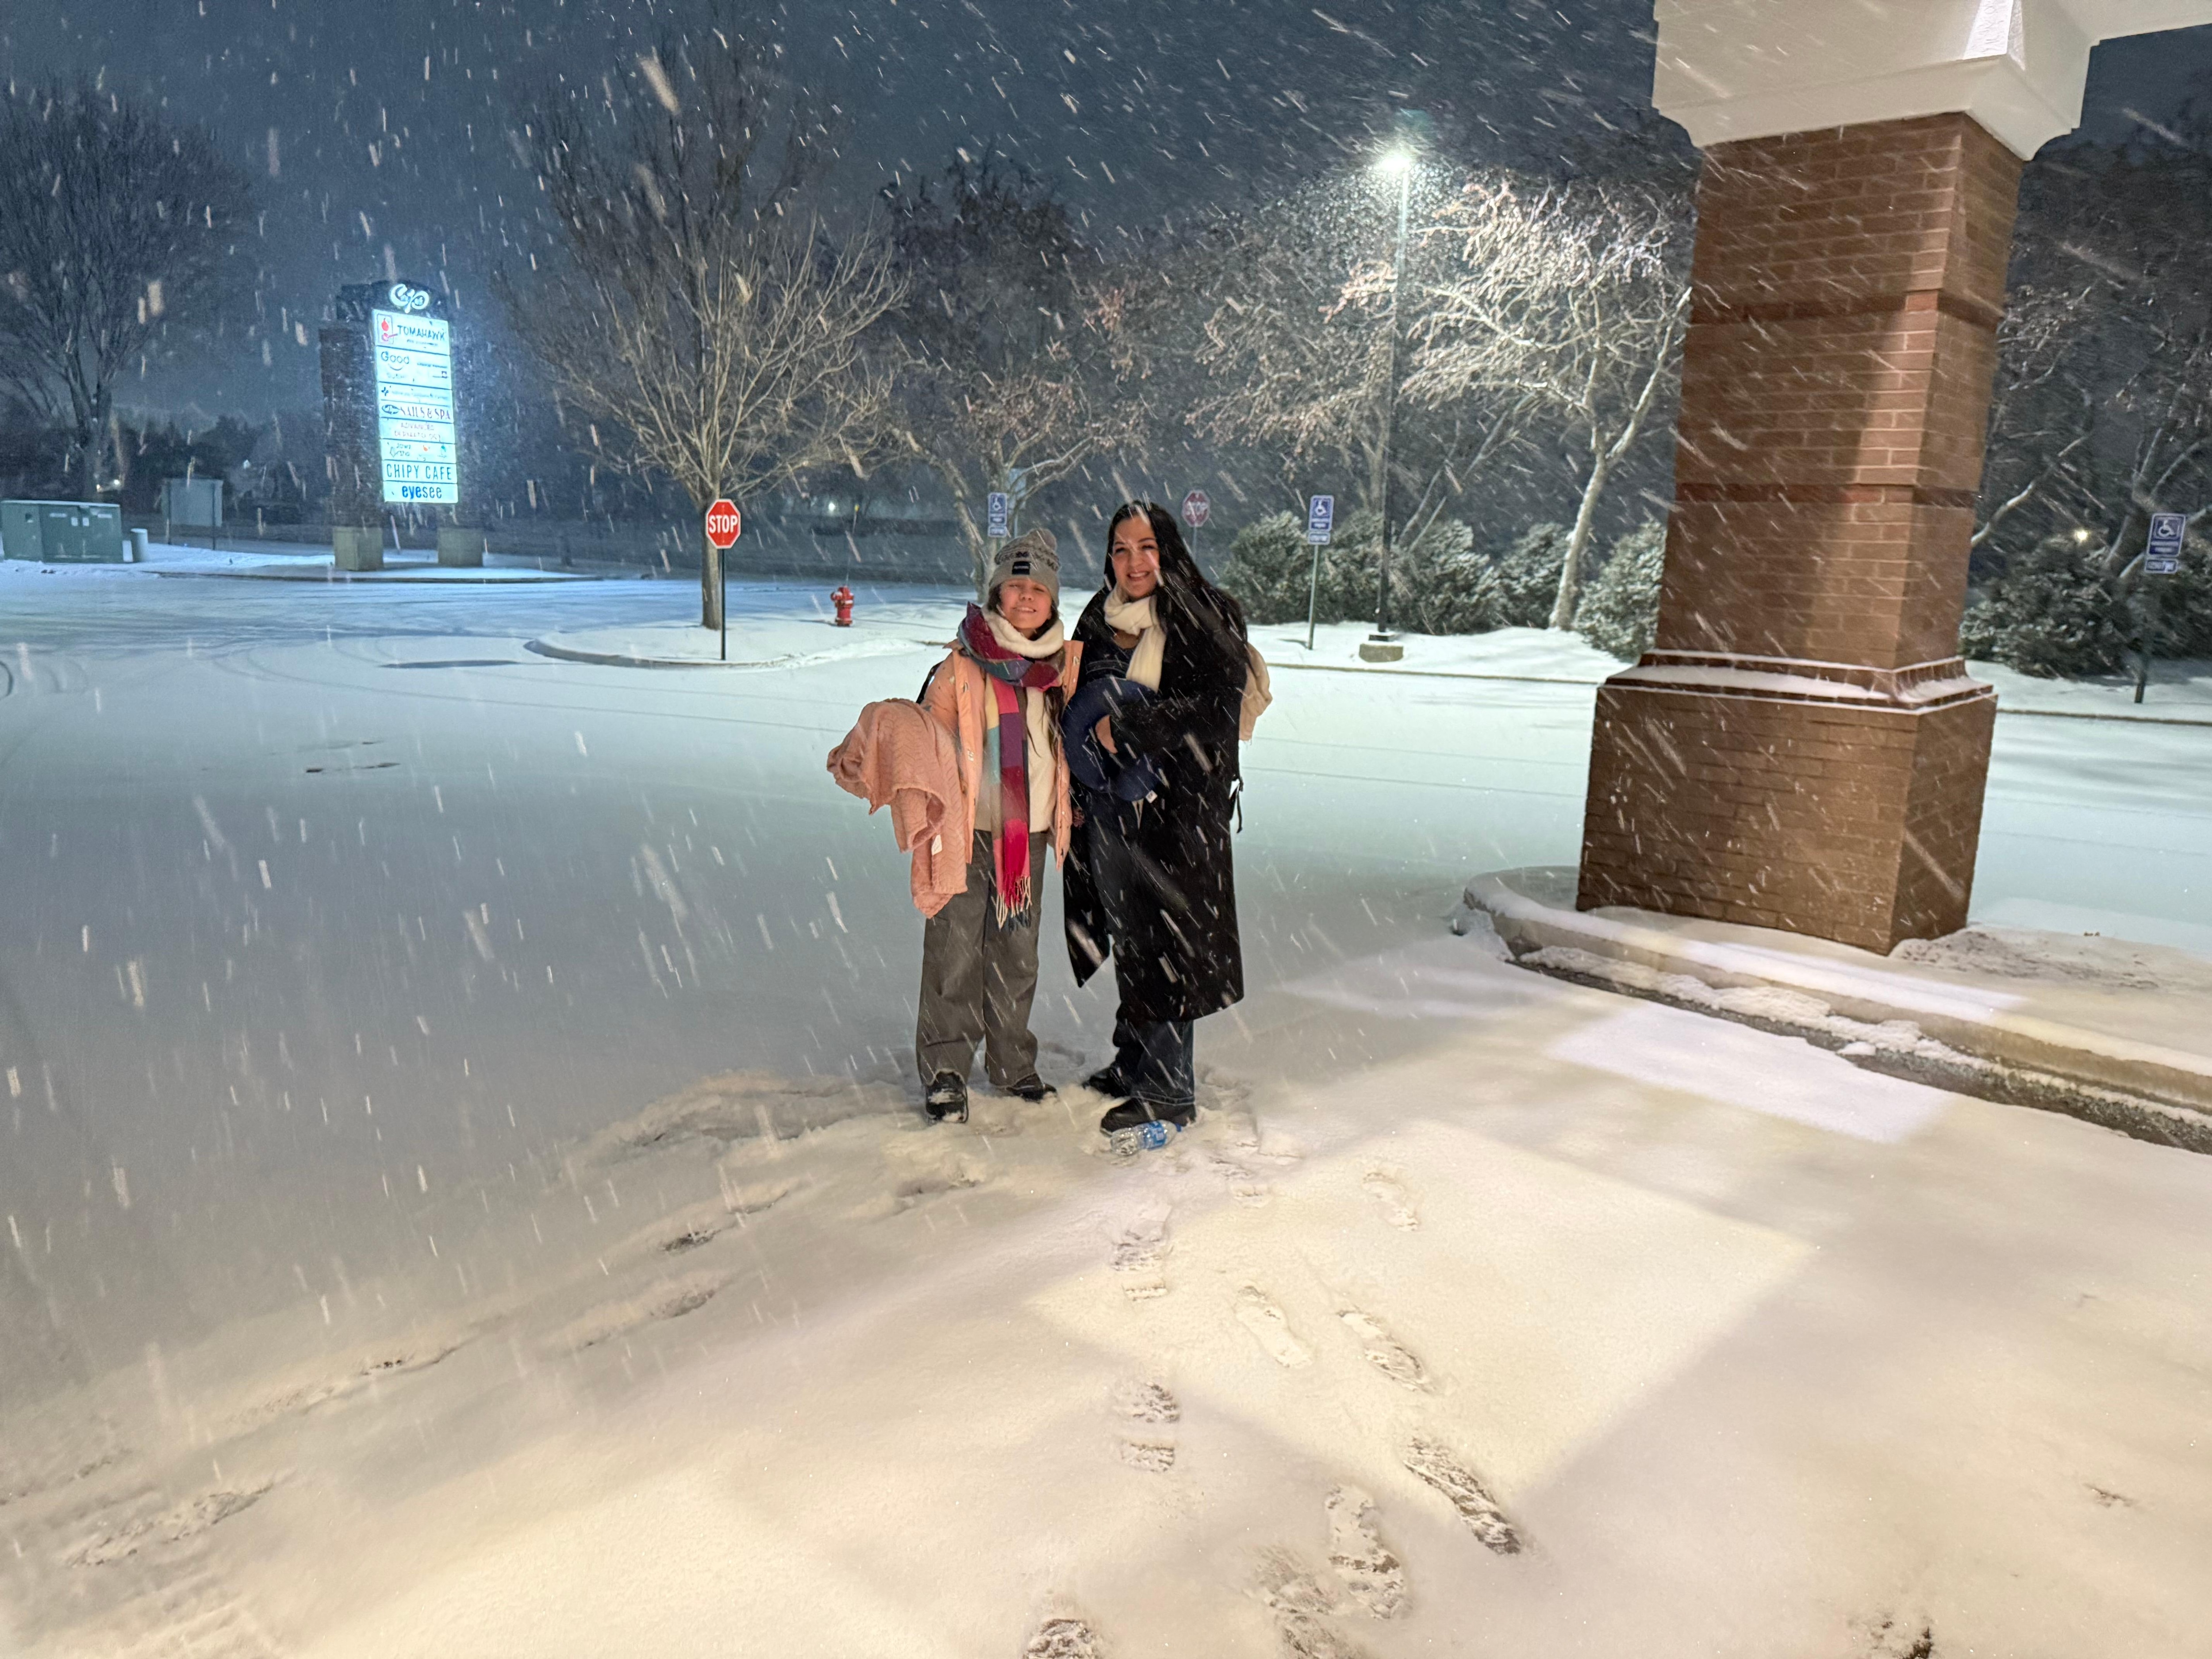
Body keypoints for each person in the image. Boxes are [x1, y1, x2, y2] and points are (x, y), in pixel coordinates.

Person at [1063, 501, 1248, 1137]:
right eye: (1121, 549)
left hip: (1179, 813)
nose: (1134, 561)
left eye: (1147, 547)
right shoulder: (1100, 614)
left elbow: (1217, 711)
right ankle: (1135, 1061)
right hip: (1112, 808)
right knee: (1133, 937)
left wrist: (1132, 727)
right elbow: (1069, 693)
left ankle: (1169, 1090)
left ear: (1168, 550)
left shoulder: (1205, 613)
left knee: (1170, 946)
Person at [913, 529, 1081, 1123]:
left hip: (1028, 836)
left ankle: (1012, 1062)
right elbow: (927, 739)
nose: (1027, 598)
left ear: (1053, 599)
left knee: (1017, 952)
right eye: (1015, 586)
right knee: (954, 949)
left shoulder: (1064, 666)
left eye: (1039, 589)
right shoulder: (962, 664)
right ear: (997, 594)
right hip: (967, 833)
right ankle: (946, 1069)